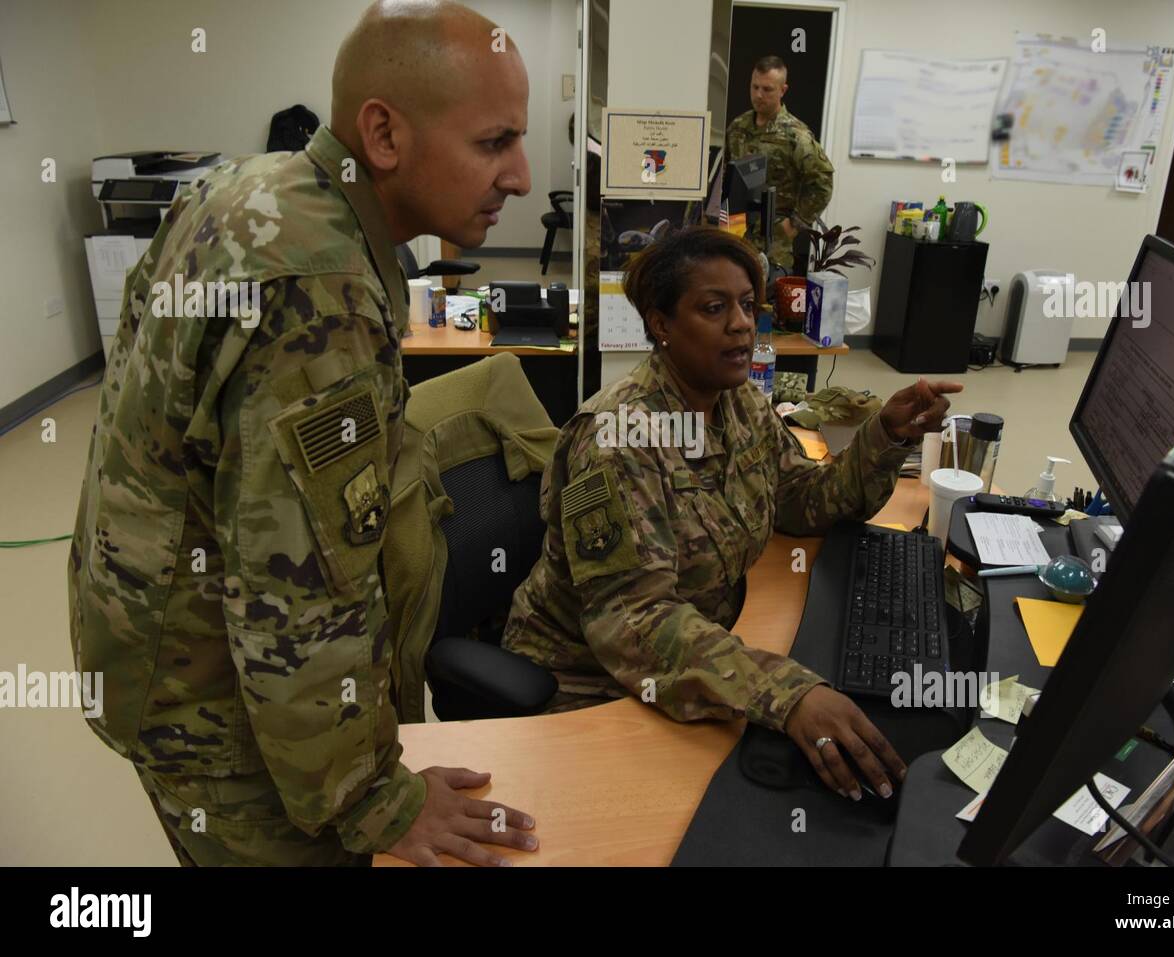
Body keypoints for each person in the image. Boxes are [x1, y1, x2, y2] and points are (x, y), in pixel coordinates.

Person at [68, 0, 539, 867]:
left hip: (152, 636)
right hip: (223, 717)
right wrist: (375, 802)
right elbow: (294, 597)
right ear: (385, 136)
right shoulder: (314, 285)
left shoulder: (251, 189)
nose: (521, 173)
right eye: (494, 142)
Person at [502, 228, 961, 801]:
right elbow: (635, 623)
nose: (742, 324)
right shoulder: (618, 439)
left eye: (747, 305)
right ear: (661, 325)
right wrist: (784, 692)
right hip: (592, 681)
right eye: (714, 308)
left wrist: (887, 435)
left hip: (699, 648)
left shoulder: (737, 400)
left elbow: (804, 499)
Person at [725, 55, 834, 273]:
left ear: (782, 90)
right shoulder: (738, 127)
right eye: (755, 87)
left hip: (773, 242)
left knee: (767, 301)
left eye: (767, 89)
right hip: (735, 234)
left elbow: (822, 182)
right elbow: (727, 176)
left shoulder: (795, 135)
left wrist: (795, 224)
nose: (758, 95)